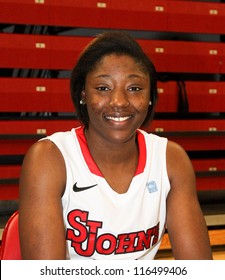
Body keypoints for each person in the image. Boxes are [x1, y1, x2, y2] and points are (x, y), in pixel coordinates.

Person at [19, 31, 212, 260]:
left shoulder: (170, 160)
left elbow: (198, 269)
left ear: (150, 95)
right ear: (83, 94)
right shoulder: (50, 158)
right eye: (103, 88)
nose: (119, 101)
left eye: (134, 88)